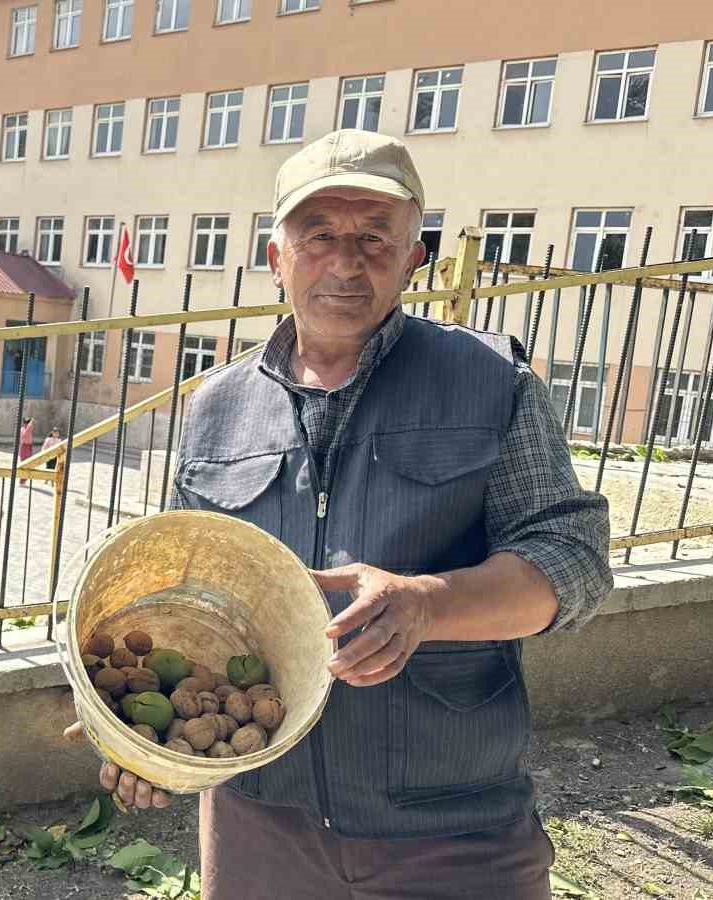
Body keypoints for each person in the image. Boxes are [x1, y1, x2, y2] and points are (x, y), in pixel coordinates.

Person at [77, 131, 612, 899]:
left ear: (413, 257)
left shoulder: (492, 382)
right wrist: (142, 740)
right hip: (259, 829)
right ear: (276, 256)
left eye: (373, 238)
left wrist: (428, 604)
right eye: (319, 234)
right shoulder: (218, 407)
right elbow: (180, 602)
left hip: (453, 829)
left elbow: (573, 559)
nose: (346, 261)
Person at [18, 417, 35, 483]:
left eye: (28, 422)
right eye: (26, 422)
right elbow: (25, 434)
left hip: (29, 446)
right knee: (24, 463)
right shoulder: (22, 429)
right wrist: (30, 423)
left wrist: (31, 423)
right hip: (24, 447)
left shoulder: (29, 428)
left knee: (29, 463)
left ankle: (24, 480)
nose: (27, 424)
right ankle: (21, 480)